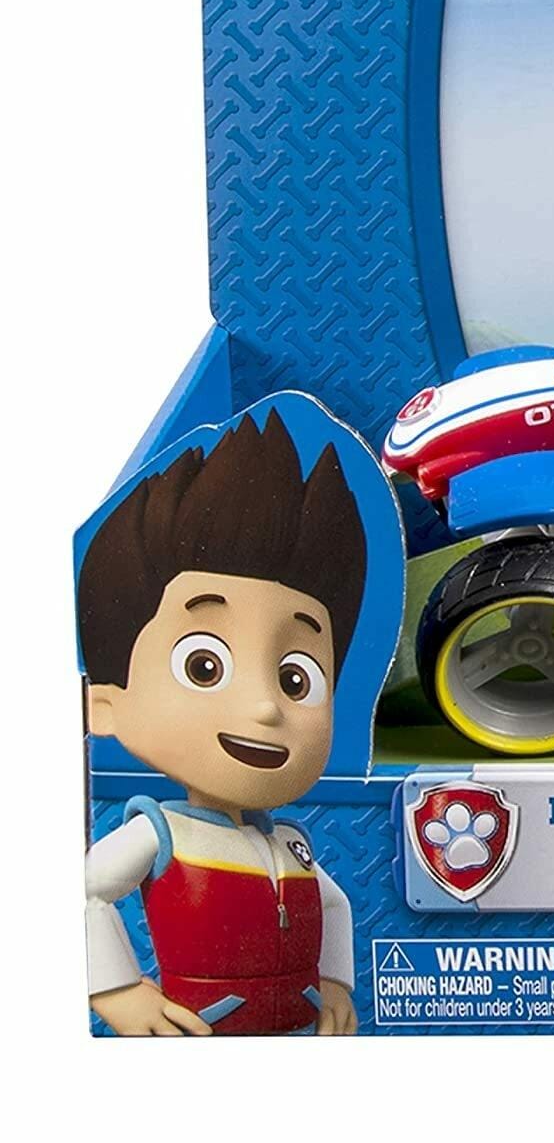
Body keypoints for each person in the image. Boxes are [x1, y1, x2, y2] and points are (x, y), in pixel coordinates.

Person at [79, 410, 366, 1035]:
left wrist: (335, 983)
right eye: (204, 666)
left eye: (296, 679)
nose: (266, 707)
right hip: (200, 1029)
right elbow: (84, 891)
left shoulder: (291, 842)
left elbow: (336, 905)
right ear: (105, 704)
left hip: (298, 1027)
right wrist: (117, 989)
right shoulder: (160, 834)